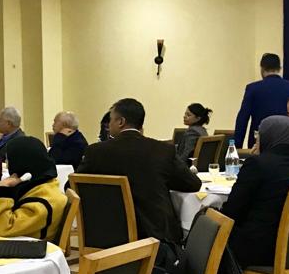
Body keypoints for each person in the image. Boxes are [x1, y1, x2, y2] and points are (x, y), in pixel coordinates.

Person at [76, 98, 201, 243]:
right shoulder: (162, 150)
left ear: (121, 122)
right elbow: (193, 184)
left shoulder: (95, 152)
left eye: (110, 120)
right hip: (154, 236)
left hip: (106, 237)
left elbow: (74, 187)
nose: (108, 125)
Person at [222, 116, 289, 268]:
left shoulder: (259, 164)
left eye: (258, 136)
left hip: (260, 249)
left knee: (207, 224)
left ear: (268, 136)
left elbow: (232, 212)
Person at [0, 136, 67, 240]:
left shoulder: (43, 202)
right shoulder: (35, 186)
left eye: (8, 160)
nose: (7, 165)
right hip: (16, 241)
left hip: (27, 247)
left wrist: (2, 191)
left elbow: (2, 229)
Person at [234, 53, 289, 149]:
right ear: (280, 68)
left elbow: (243, 118)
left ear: (262, 68)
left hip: (259, 143)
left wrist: (237, 147)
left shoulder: (253, 88)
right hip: (288, 142)